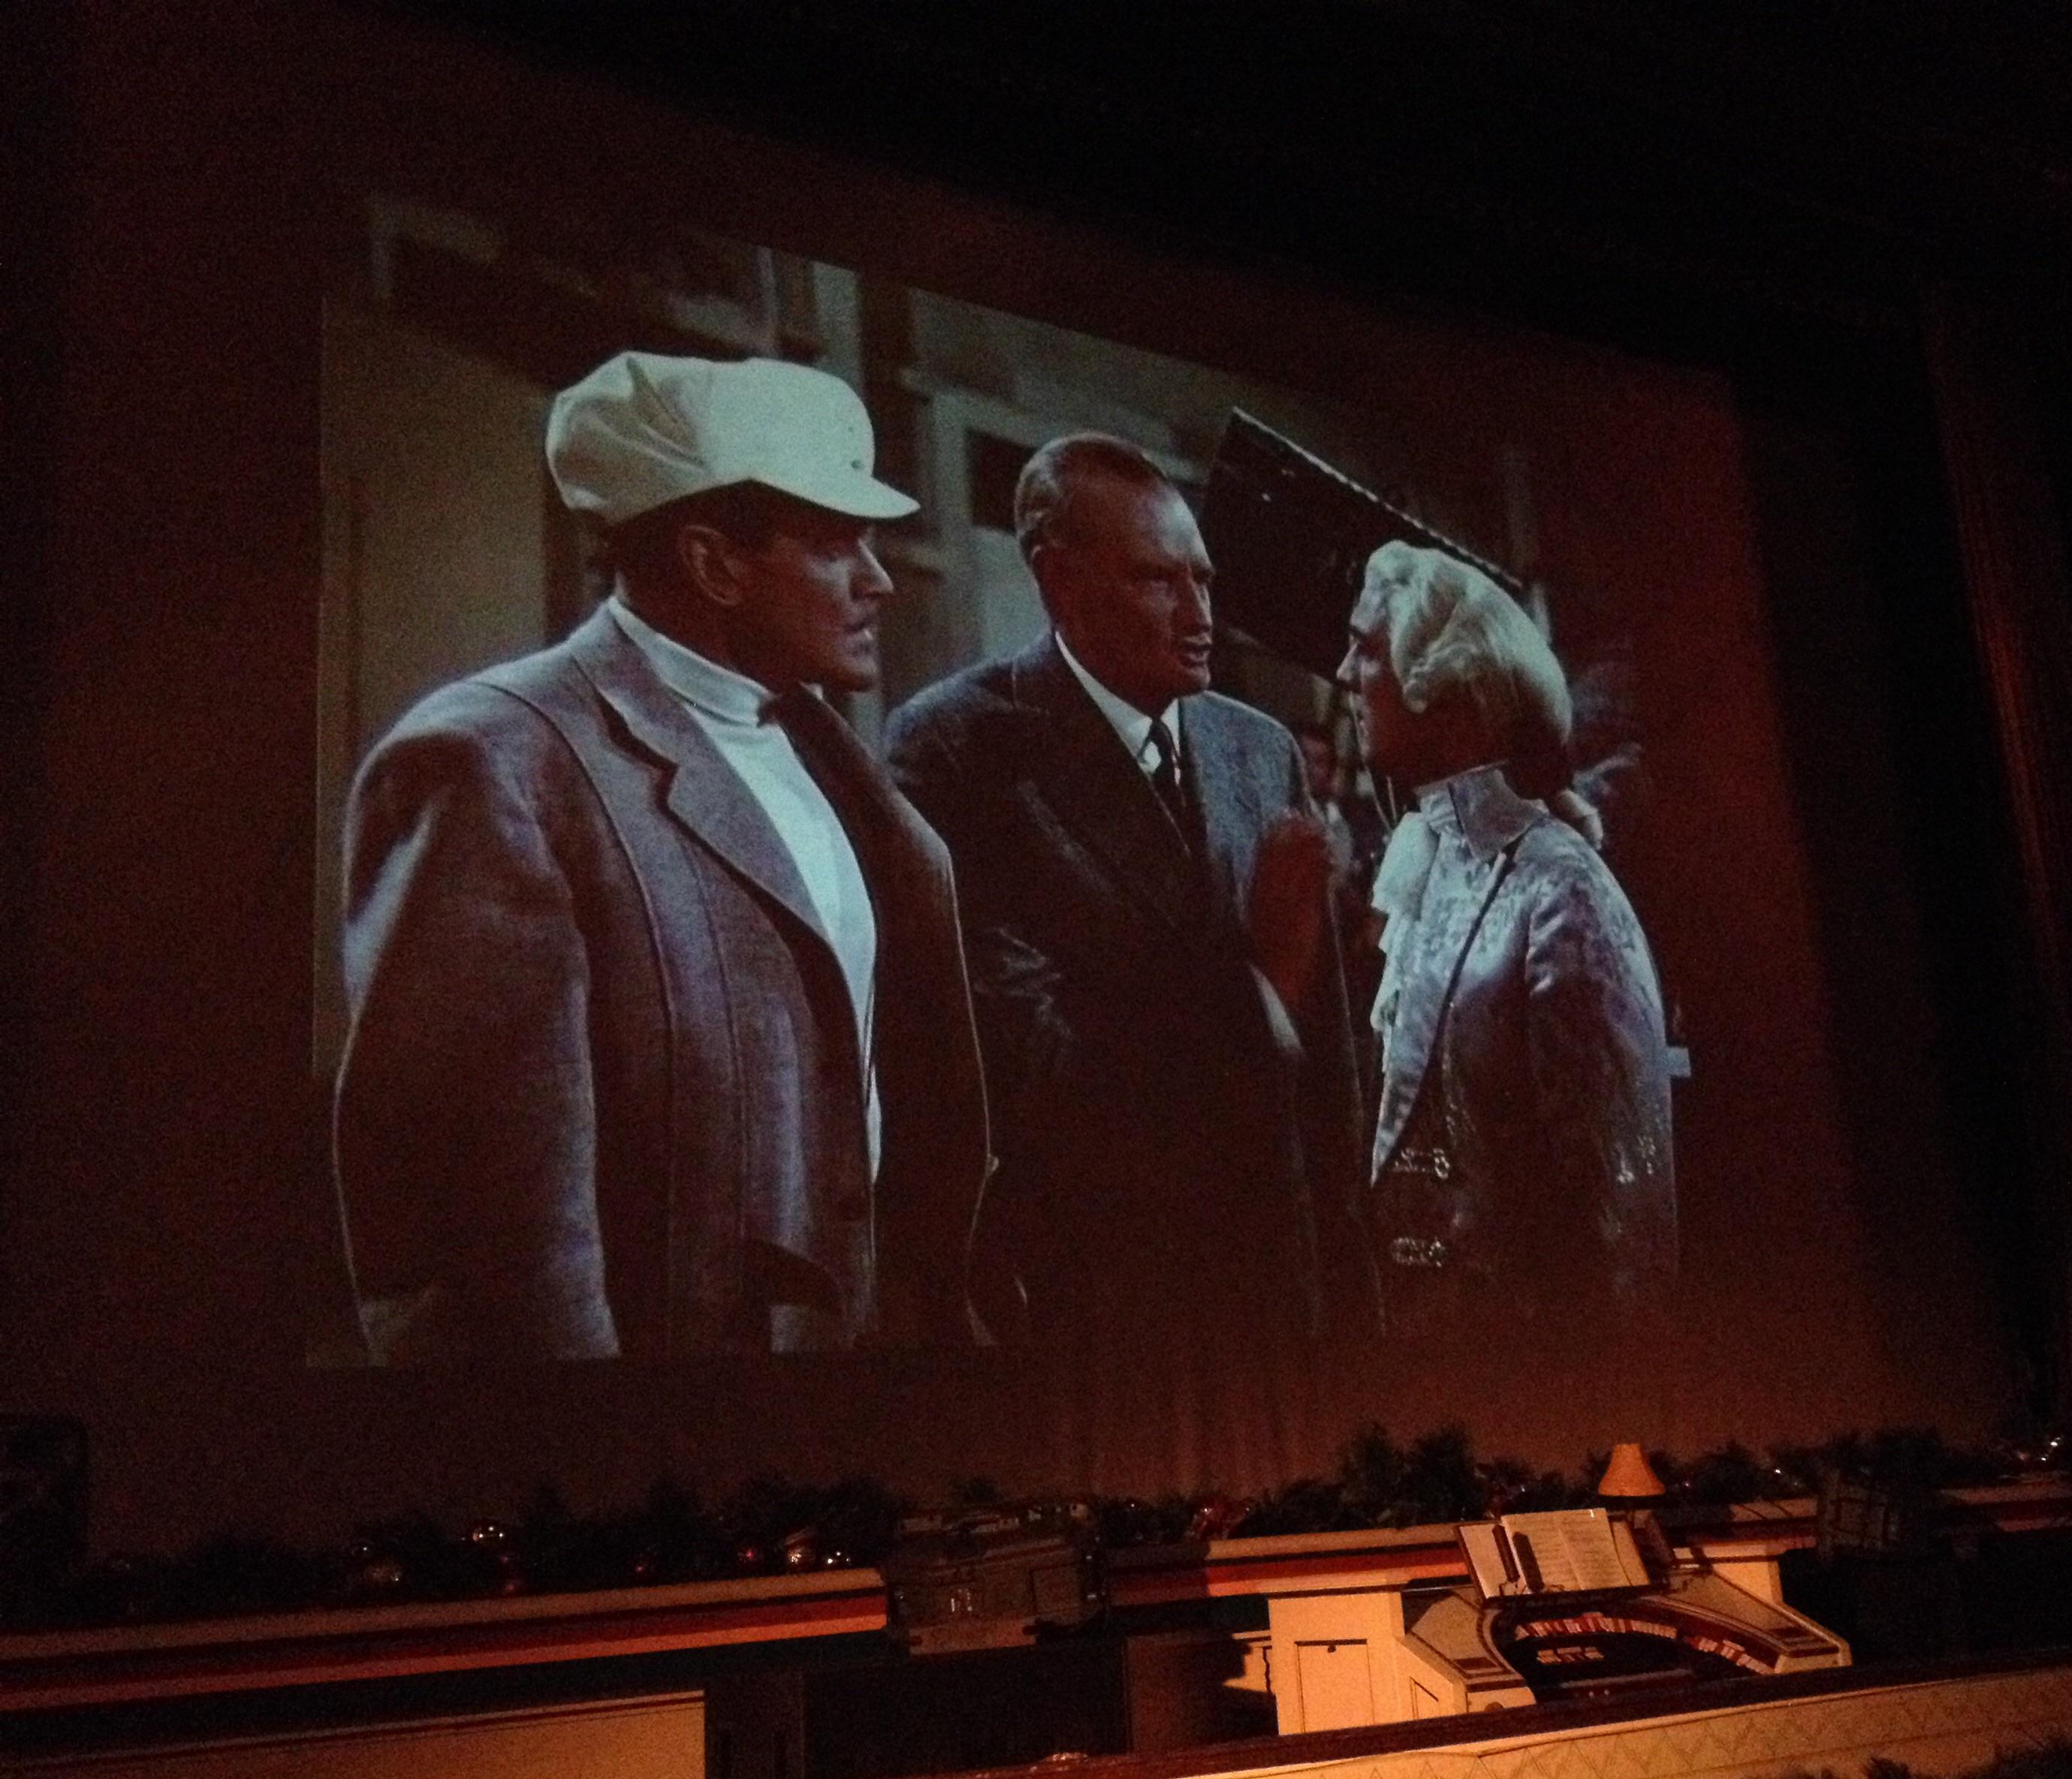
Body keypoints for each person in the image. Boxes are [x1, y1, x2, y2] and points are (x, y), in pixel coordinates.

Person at [334, 351, 990, 1361]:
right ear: (712, 563)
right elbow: (487, 1234)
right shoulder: (492, 762)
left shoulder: (828, 753)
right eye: (834, 546)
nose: (879, 581)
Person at [885, 433, 1370, 1352]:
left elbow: (1328, 1070)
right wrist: (1259, 994)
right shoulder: (957, 749)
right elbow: (1031, 1067)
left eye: (1205, 580)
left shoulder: (1258, 748)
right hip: (1097, 1308)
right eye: (1157, 581)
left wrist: (1347, 1293)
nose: (1200, 616)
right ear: (1059, 582)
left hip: (1279, 1293)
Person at [1335, 540, 1677, 1334]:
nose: (1345, 674)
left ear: (1446, 684)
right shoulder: (1422, 867)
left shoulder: (1561, 890)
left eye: (1366, 649)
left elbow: (1625, 1235)